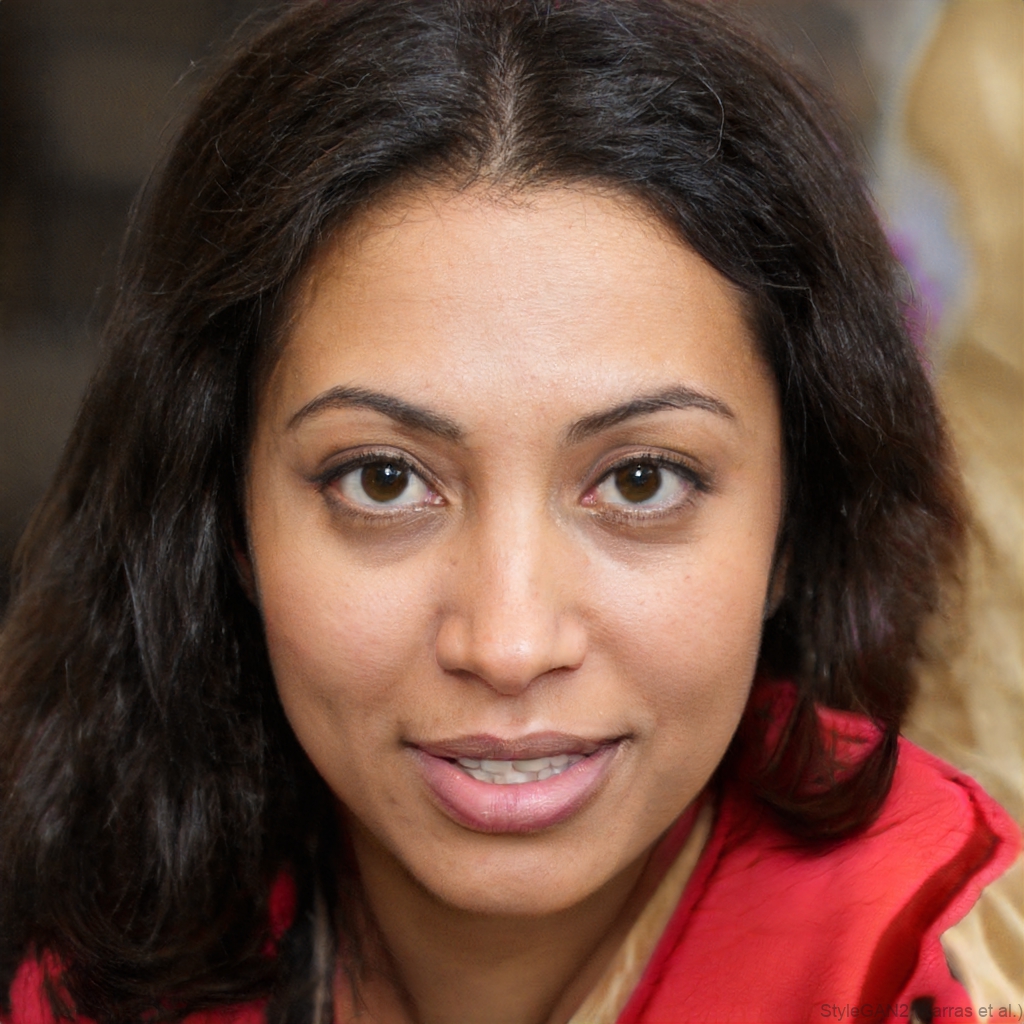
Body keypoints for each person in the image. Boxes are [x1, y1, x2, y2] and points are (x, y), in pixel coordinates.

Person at [0, 1, 1017, 1022]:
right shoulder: (84, 958)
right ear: (228, 522)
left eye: (641, 480)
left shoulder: (936, 975)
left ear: (793, 525)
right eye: (383, 480)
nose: (509, 644)